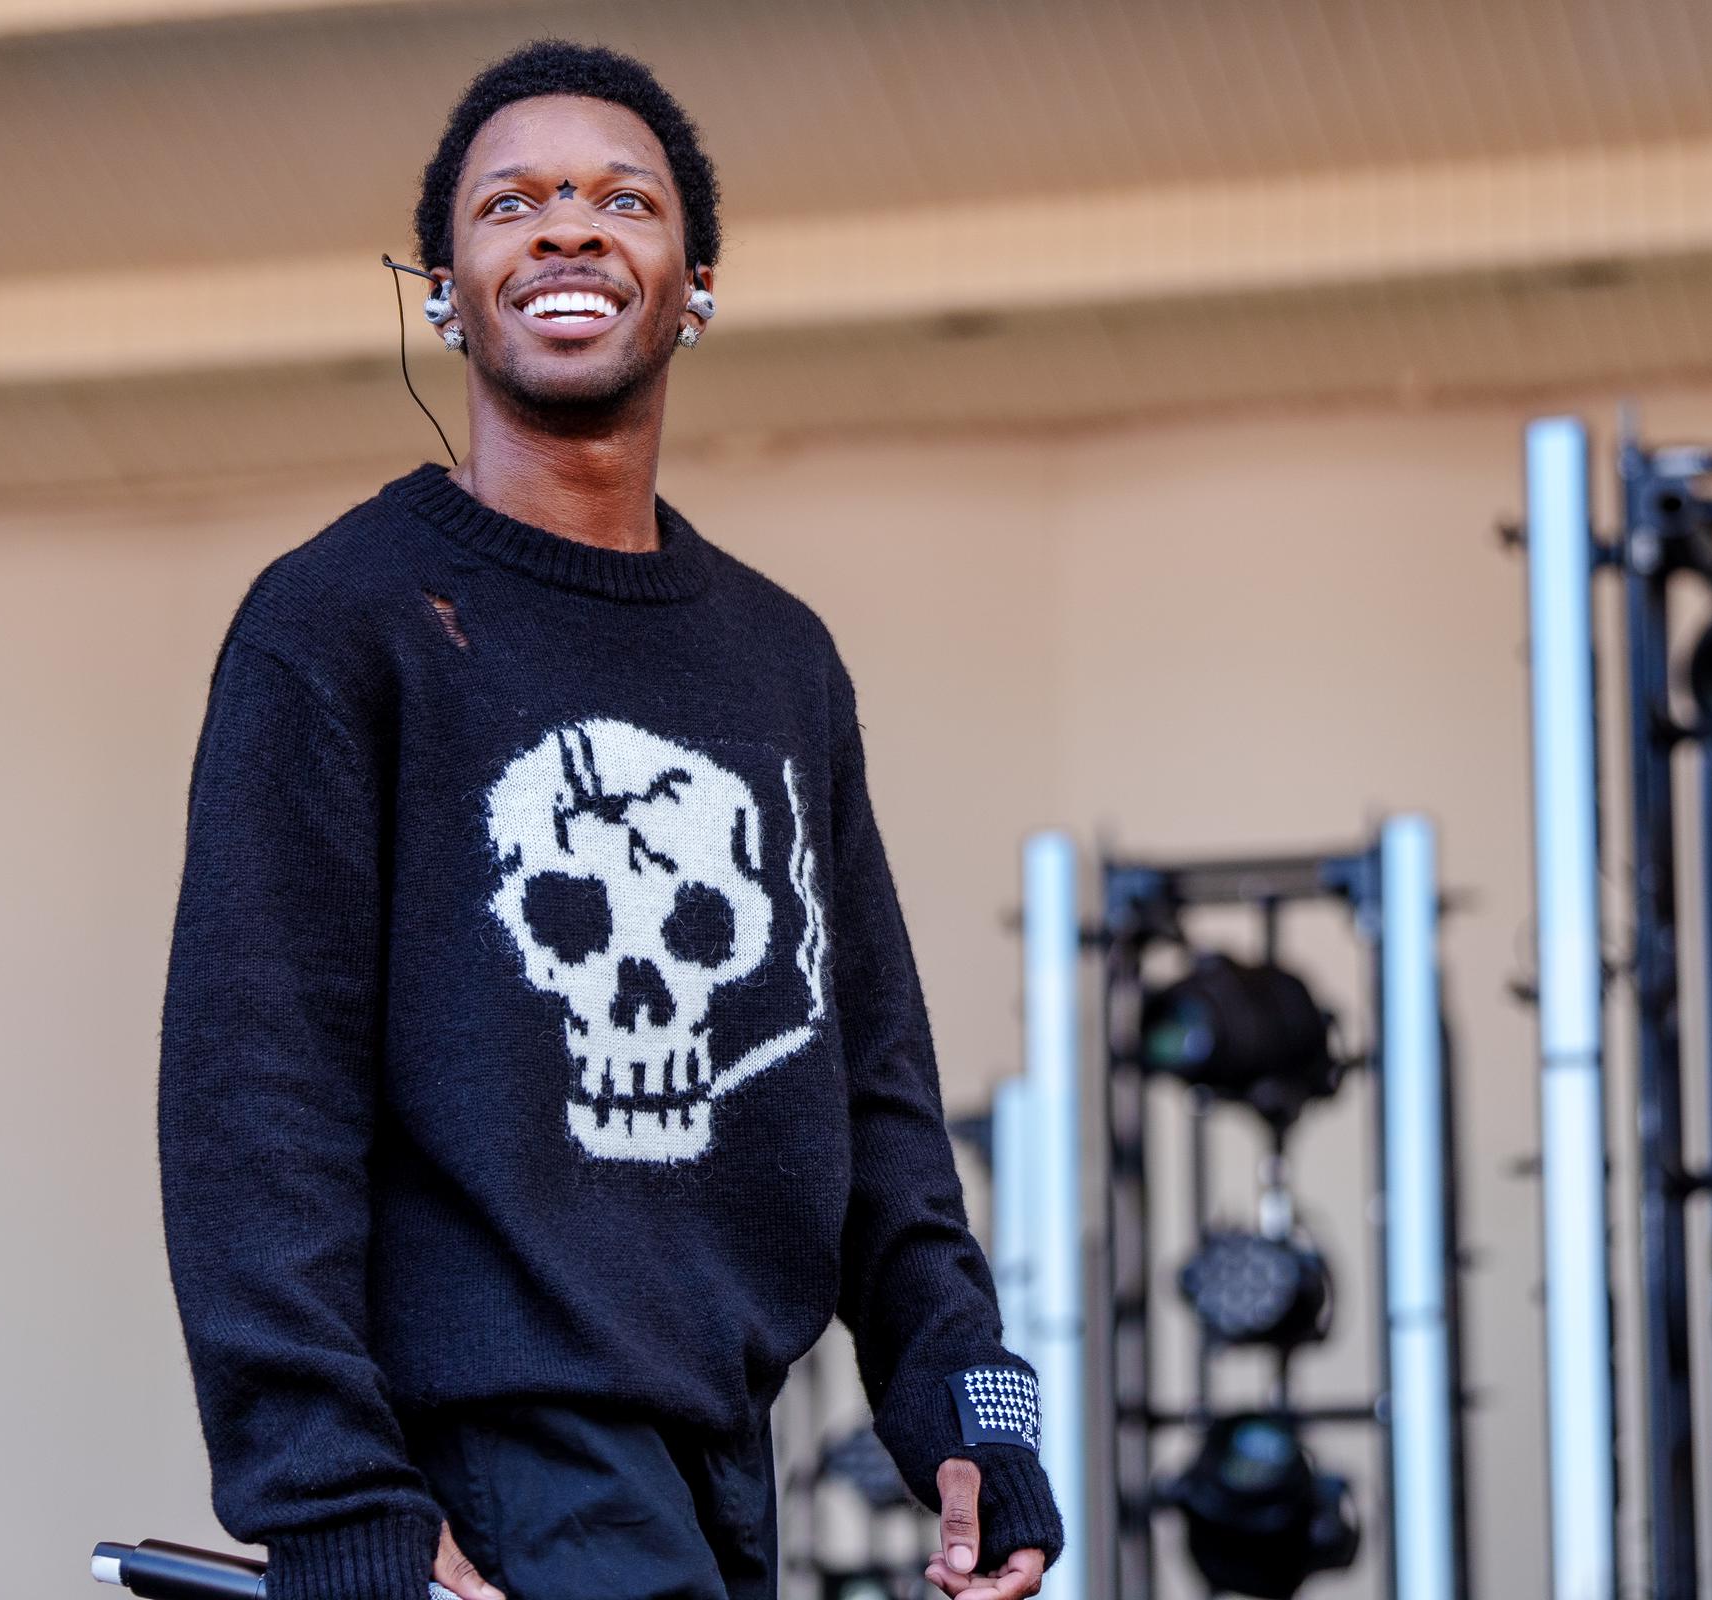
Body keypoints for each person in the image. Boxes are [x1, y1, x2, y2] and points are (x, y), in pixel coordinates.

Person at [158, 39, 1063, 1600]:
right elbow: (254, 1096)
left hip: (723, 1456)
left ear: (695, 280)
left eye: (619, 200)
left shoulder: (779, 658)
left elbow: (872, 1091)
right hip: (491, 1466)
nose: (567, 229)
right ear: (443, 285)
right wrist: (331, 1495)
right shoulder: (338, 625)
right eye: (512, 203)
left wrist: (966, 1403)